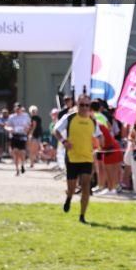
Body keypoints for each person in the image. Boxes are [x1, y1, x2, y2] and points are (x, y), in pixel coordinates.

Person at [52, 94, 102, 223]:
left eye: (87, 105)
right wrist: (64, 141)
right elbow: (56, 130)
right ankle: (69, 198)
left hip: (87, 158)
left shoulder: (92, 121)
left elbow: (99, 136)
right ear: (77, 105)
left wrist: (100, 143)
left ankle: (82, 215)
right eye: (82, 105)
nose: (84, 108)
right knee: (72, 188)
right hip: (72, 158)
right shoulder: (69, 118)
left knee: (86, 186)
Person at [6, 103, 31, 175]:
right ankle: (17, 169)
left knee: (22, 152)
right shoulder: (11, 117)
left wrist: (27, 129)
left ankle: (22, 164)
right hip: (14, 135)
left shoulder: (25, 116)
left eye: (18, 109)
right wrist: (9, 129)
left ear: (21, 109)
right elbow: (7, 126)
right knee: (15, 152)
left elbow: (29, 125)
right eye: (16, 109)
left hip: (22, 135)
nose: (17, 110)